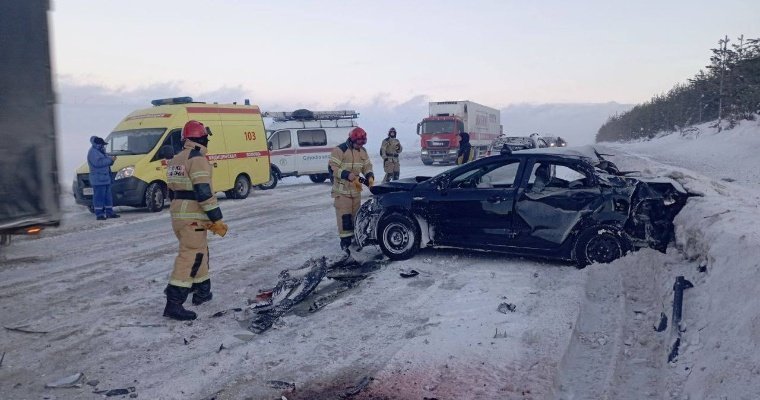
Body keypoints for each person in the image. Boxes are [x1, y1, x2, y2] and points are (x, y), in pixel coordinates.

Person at [163, 120, 229, 321]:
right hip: (193, 216)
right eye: (206, 137)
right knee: (190, 257)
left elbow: (171, 191)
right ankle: (174, 303)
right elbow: (203, 192)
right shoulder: (198, 159)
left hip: (179, 216)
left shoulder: (176, 159)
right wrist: (216, 217)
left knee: (199, 252)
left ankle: (202, 292)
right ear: (201, 138)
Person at [329, 127, 374, 251]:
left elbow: (367, 166)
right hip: (342, 191)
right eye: (359, 143)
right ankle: (345, 244)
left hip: (356, 189)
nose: (360, 145)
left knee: (356, 217)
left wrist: (369, 176)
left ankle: (355, 241)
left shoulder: (362, 151)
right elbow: (333, 167)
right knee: (345, 218)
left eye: (362, 143)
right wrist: (346, 174)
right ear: (353, 139)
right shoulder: (340, 150)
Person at [87, 136, 119, 220]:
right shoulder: (93, 152)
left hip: (105, 179)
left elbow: (105, 160)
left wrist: (111, 160)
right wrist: (111, 160)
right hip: (98, 180)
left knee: (108, 197)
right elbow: (98, 163)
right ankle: (99, 214)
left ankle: (109, 212)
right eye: (102, 144)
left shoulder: (100, 151)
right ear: (98, 144)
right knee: (99, 197)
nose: (104, 146)